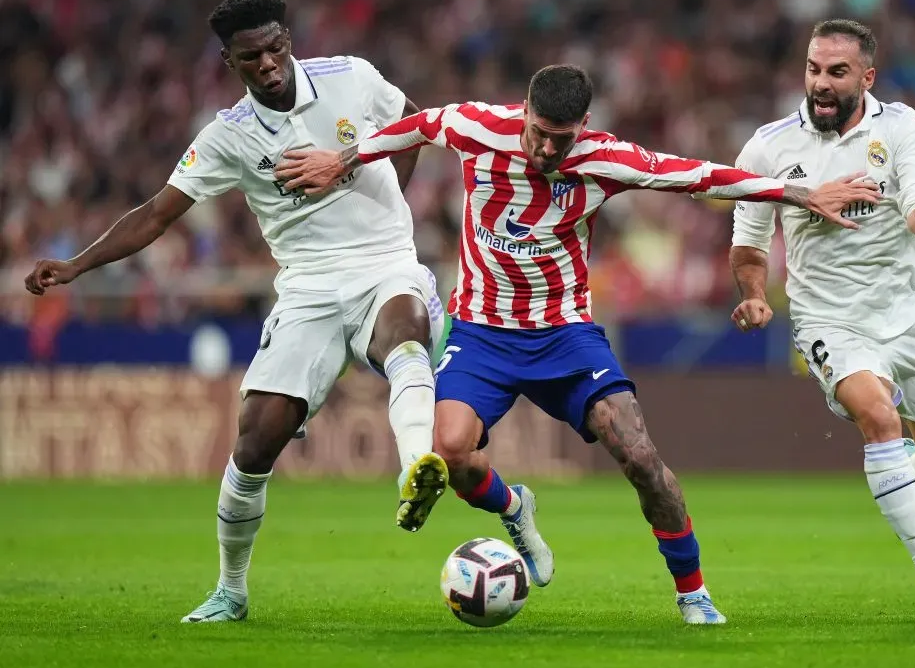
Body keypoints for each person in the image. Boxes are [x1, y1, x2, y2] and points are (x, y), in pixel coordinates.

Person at [274, 63, 879, 624]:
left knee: (641, 457)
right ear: (526, 113)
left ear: (582, 127)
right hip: (482, 334)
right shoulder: (478, 126)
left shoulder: (603, 159)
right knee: (449, 454)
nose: (546, 149)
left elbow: (699, 174)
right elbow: (416, 126)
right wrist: (343, 160)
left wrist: (798, 194)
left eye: (561, 138)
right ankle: (515, 509)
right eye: (539, 133)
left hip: (566, 337)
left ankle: (693, 593)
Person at [23, 0, 451, 623]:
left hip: (384, 264)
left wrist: (384, 201)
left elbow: (413, 126)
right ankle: (231, 590)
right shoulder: (228, 136)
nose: (270, 63)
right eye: (252, 56)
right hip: (306, 287)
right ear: (230, 62)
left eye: (277, 46)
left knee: (405, 337)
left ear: (289, 39)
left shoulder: (350, 79)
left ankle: (416, 464)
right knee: (254, 443)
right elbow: (155, 215)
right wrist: (77, 265)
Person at [728, 19, 915, 619]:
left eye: (836, 72)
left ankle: (900, 481)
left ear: (867, 76)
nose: (821, 84)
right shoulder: (769, 146)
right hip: (829, 319)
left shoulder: (903, 126)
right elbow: (749, 241)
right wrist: (754, 293)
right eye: (813, 69)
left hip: (909, 310)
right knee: (880, 418)